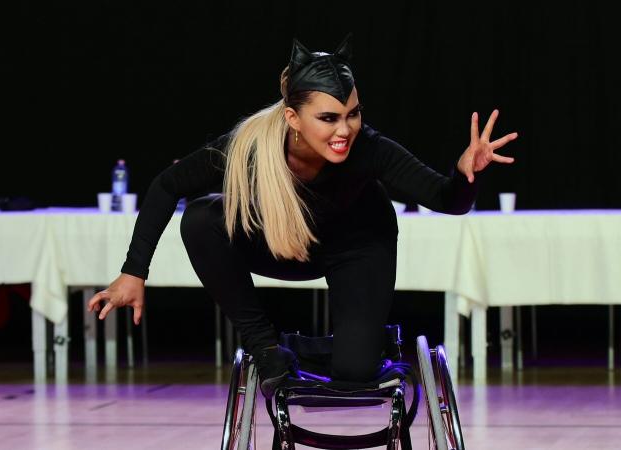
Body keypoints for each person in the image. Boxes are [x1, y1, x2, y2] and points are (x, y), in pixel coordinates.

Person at [87, 35, 518, 397]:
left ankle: (354, 345)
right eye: (328, 118)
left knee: (354, 373)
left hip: (358, 246)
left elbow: (448, 199)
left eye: (353, 114)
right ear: (293, 117)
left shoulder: (369, 149)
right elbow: (168, 184)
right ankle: (266, 347)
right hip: (284, 244)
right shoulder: (250, 147)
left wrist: (466, 176)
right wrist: (133, 272)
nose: (344, 130)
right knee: (201, 218)